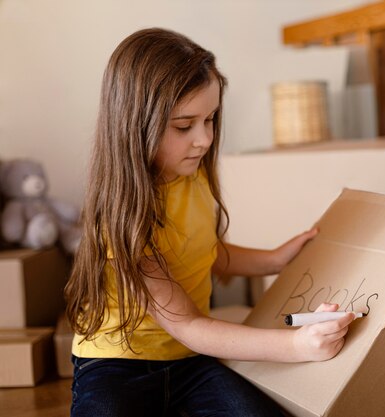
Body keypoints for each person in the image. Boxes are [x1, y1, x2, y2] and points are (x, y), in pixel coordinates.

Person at [64, 27, 356, 417]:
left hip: (189, 359)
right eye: (184, 126)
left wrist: (274, 259)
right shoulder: (119, 218)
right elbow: (186, 324)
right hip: (117, 364)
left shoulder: (193, 178)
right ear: (134, 125)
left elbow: (207, 253)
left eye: (211, 119)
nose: (204, 139)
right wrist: (296, 346)